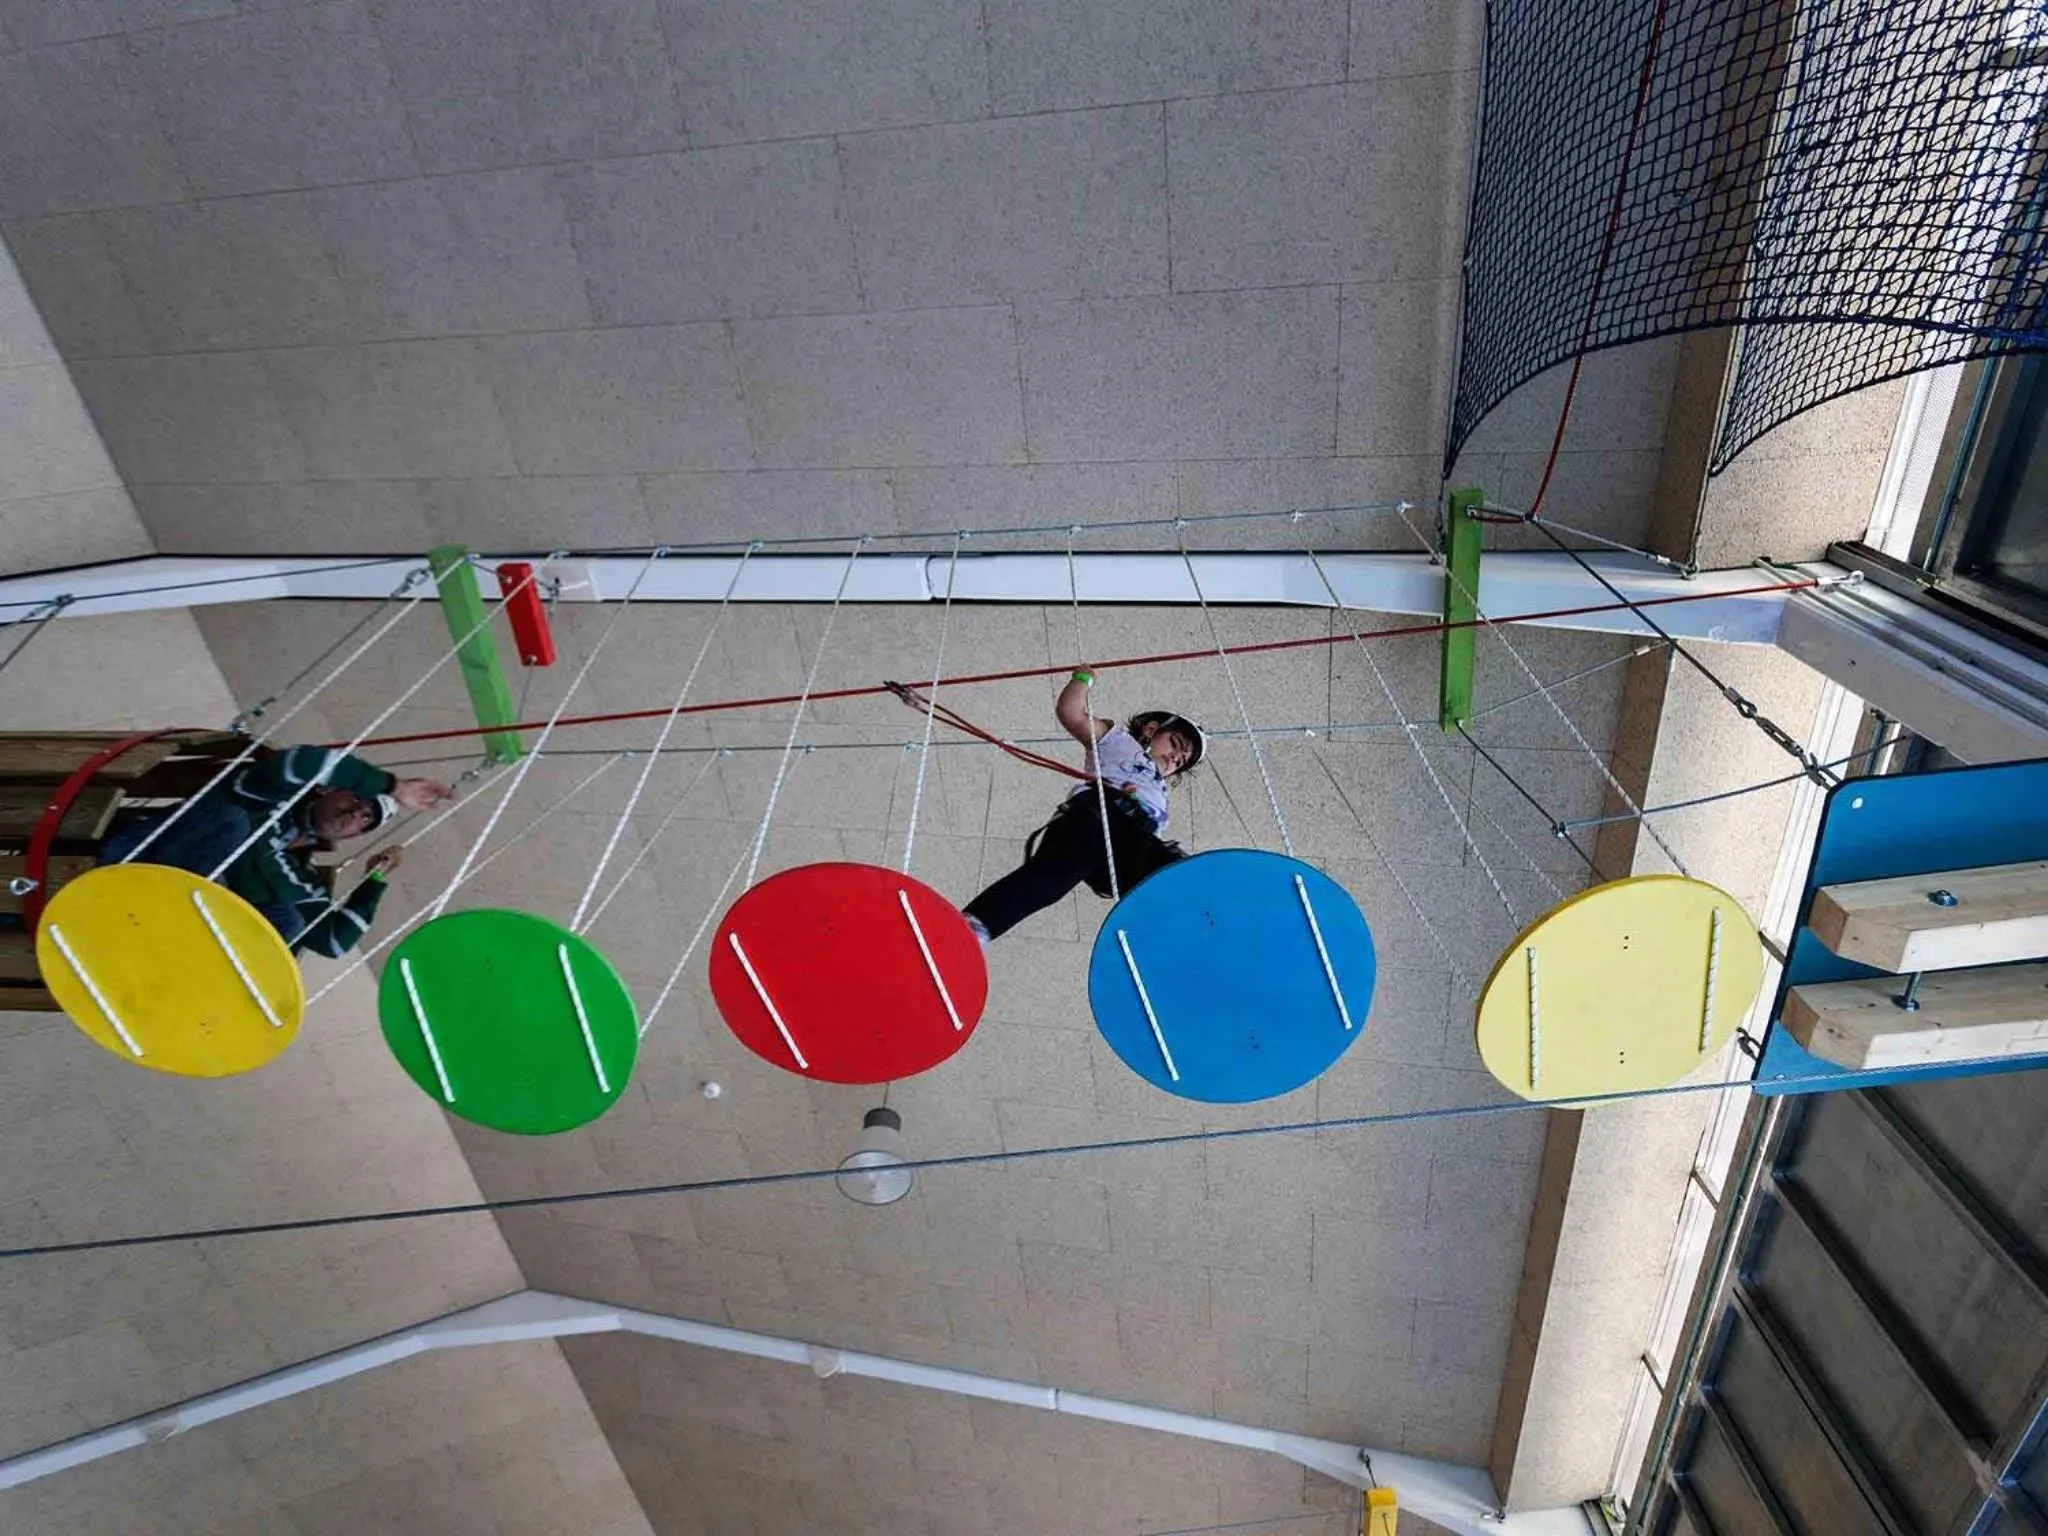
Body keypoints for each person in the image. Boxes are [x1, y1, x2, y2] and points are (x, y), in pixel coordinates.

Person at [99, 744, 451, 959]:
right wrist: (393, 786)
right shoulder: (267, 795)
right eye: (357, 799)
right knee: (233, 821)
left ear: (359, 835)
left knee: (289, 924)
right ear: (328, 791)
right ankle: (157, 915)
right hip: (131, 862)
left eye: (366, 819)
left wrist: (373, 881)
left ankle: (177, 960)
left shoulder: (300, 878)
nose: (356, 812)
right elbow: (304, 763)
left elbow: (333, 942)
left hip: (166, 921)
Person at [963, 671, 1205, 944]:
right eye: (1175, 745)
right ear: (1151, 730)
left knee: (1167, 875)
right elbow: (1071, 712)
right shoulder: (1119, 742)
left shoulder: (1160, 793)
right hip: (1098, 818)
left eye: (1181, 761)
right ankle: (976, 925)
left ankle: (1199, 925)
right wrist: (1082, 679)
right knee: (1050, 882)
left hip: (1131, 843)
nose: (1175, 758)